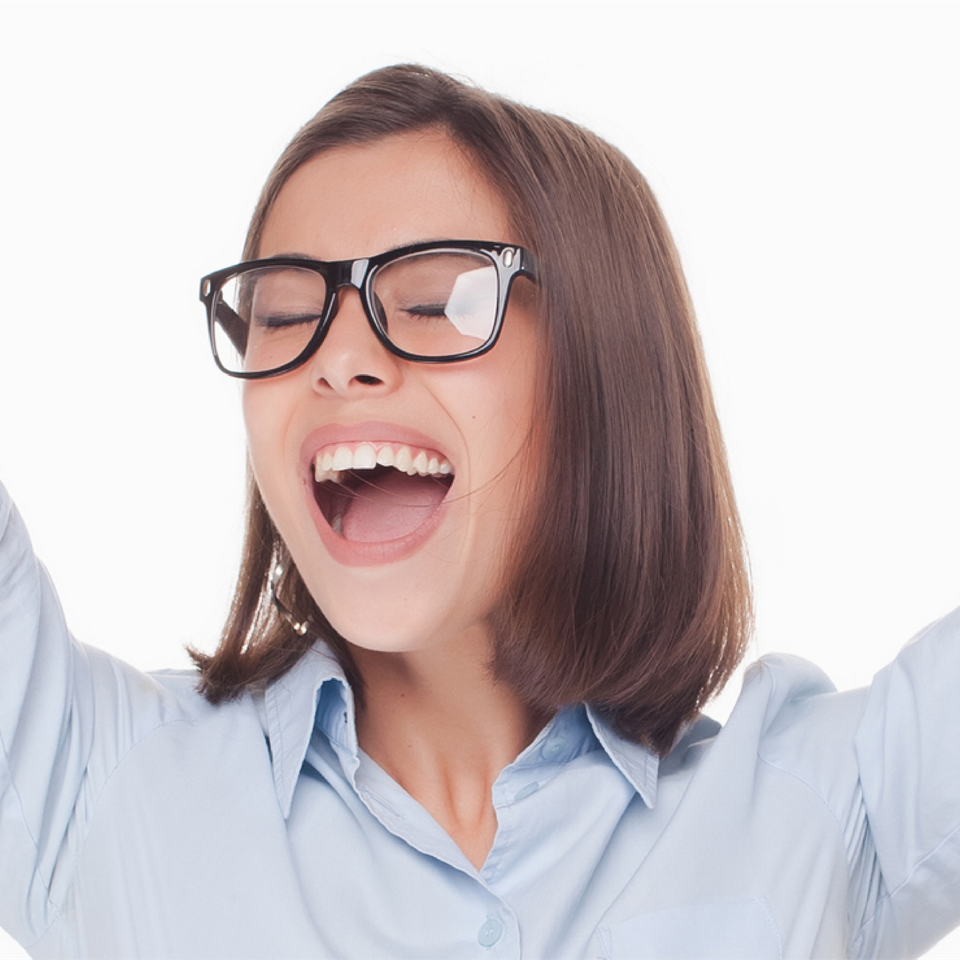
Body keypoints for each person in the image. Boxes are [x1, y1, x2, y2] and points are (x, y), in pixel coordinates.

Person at [0, 63, 957, 959]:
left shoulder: (825, 807)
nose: (337, 357)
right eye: (286, 315)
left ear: (604, 374)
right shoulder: (98, 788)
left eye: (431, 301)